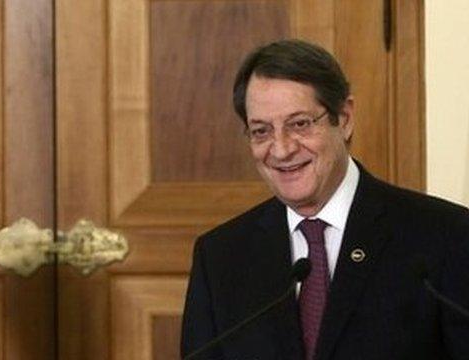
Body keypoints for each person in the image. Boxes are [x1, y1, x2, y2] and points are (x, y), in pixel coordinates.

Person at [181, 39, 469, 360]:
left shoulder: (447, 236)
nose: (281, 149)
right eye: (261, 131)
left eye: (299, 124)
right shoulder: (220, 257)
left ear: (344, 119)